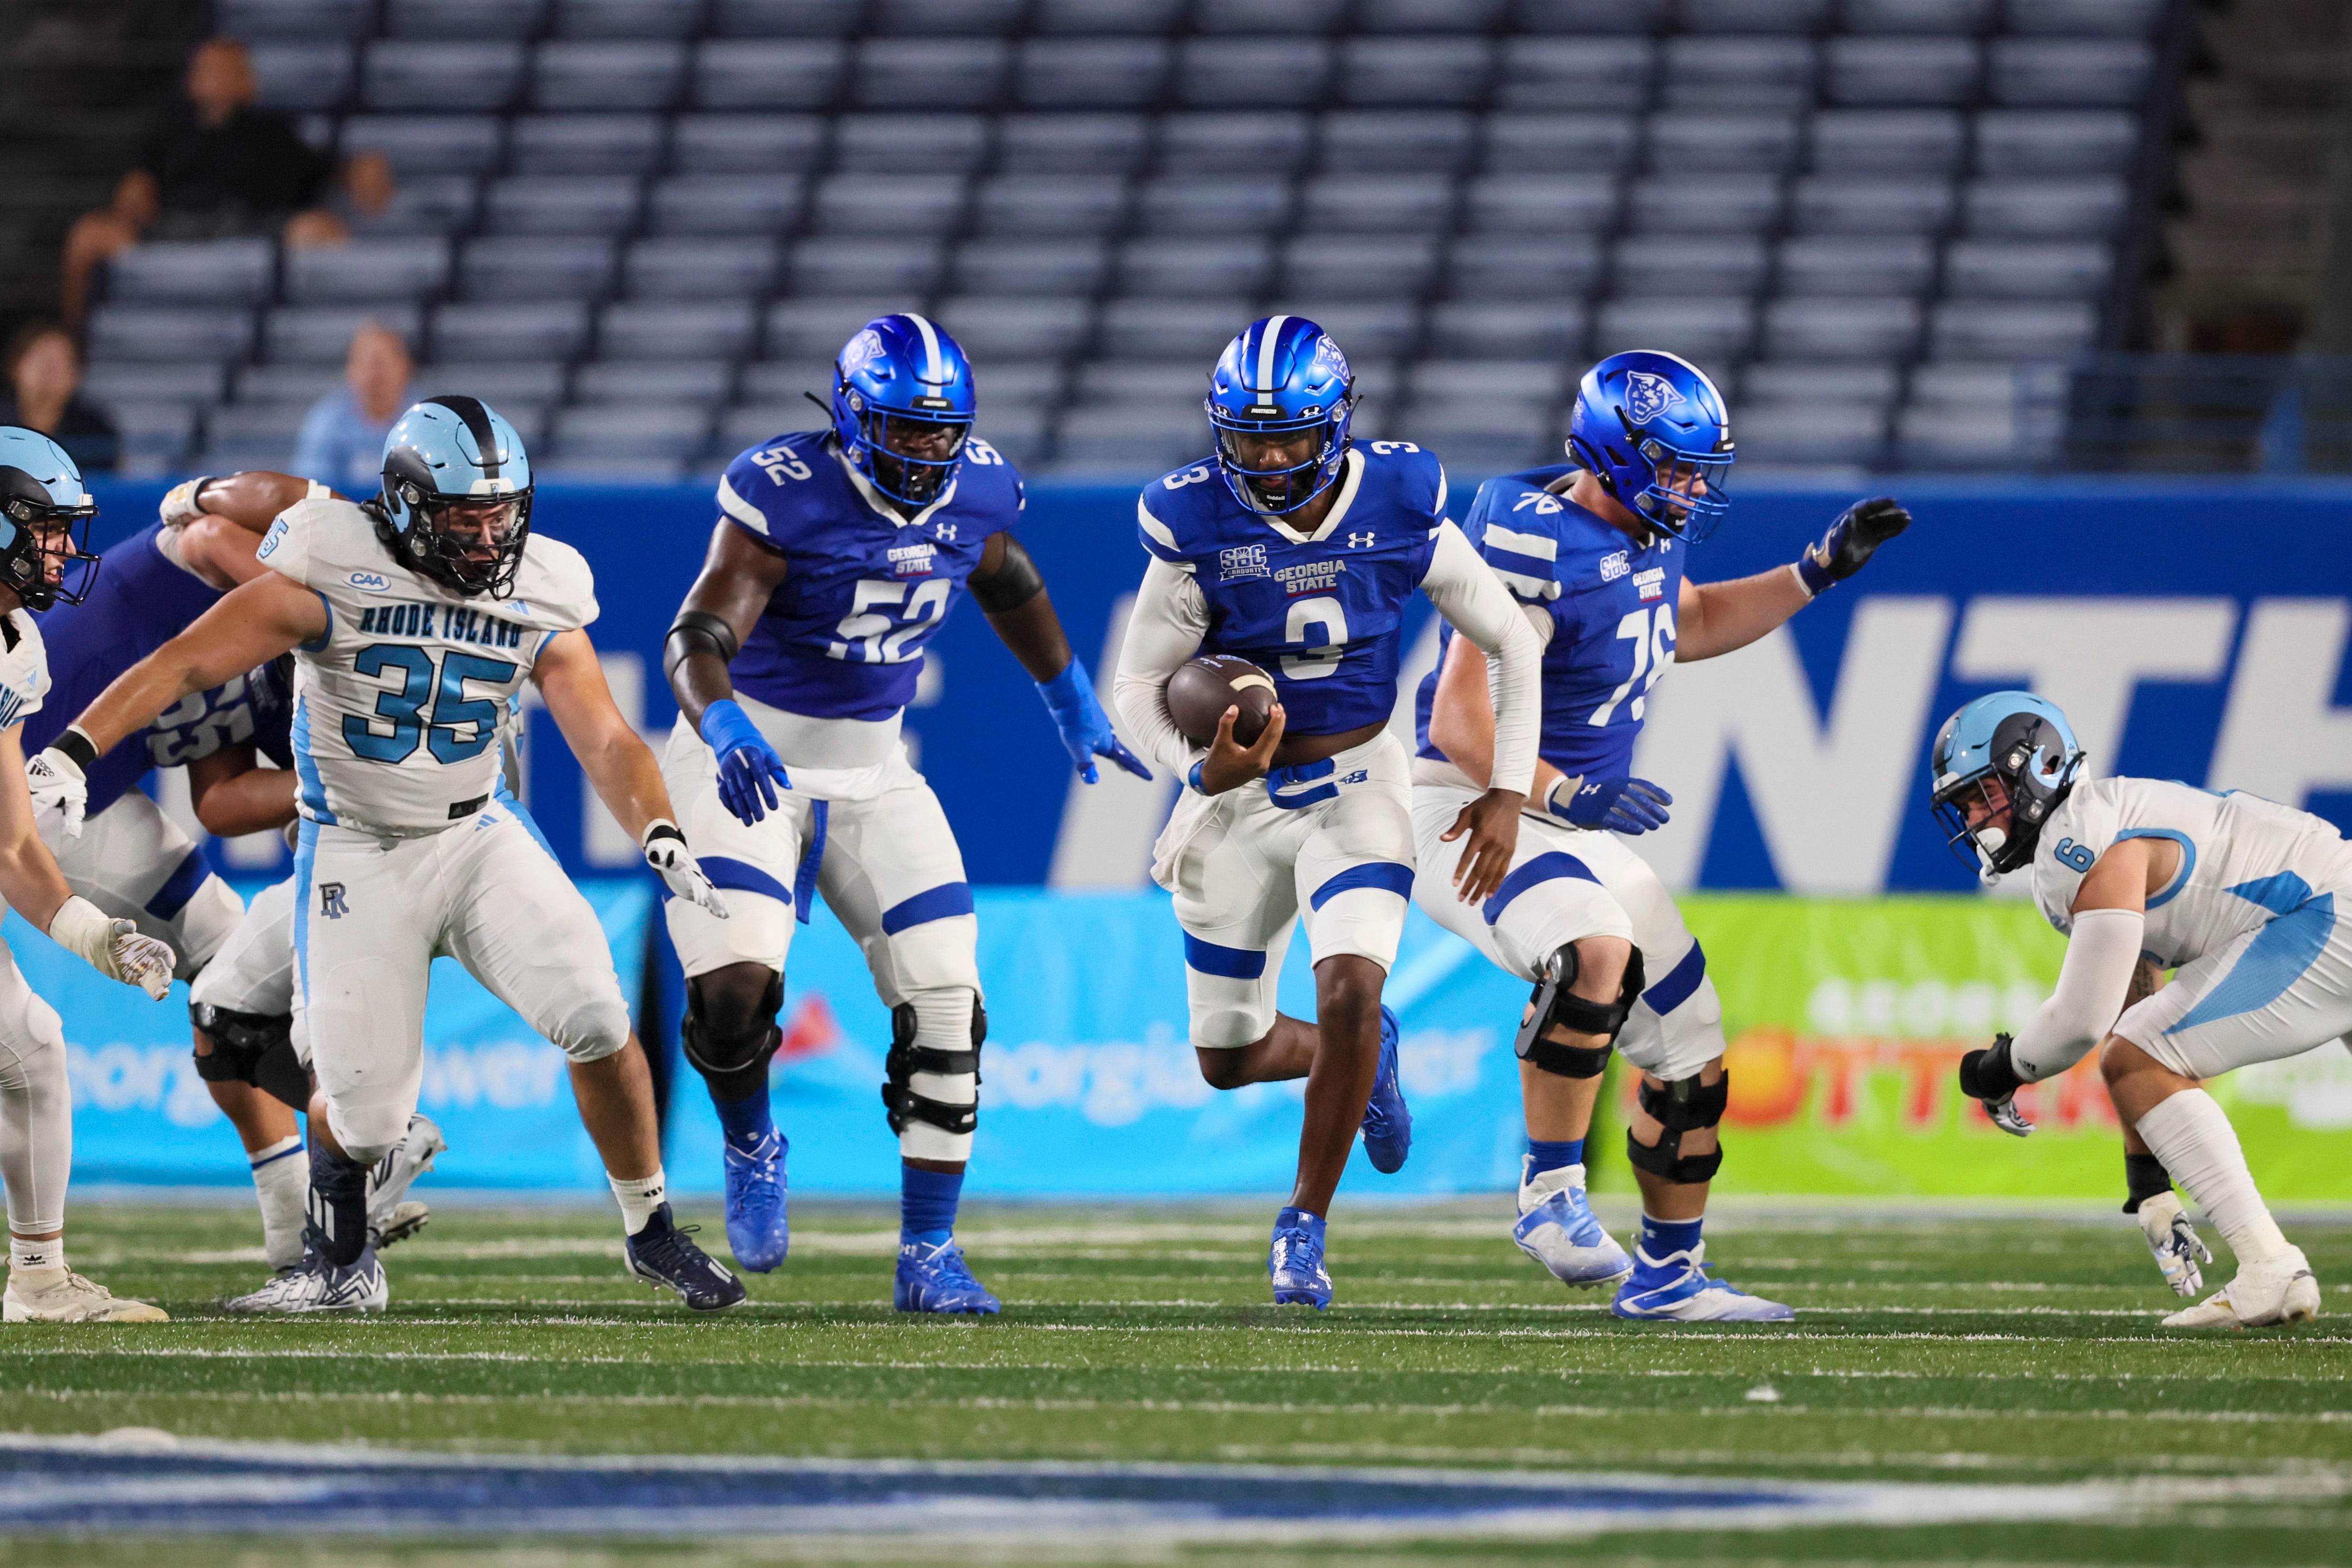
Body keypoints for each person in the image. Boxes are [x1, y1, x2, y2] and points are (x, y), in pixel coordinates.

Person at [28, 398, 743, 1314]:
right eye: (462, 515)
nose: (487, 537)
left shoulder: (545, 583)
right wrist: (79, 749)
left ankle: (652, 1229)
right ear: (405, 506)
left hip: (474, 833)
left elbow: (604, 735)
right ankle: (336, 1260)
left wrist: (661, 831)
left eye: (499, 513)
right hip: (356, 849)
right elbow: (186, 663)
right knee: (361, 1111)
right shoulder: (332, 560)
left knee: (599, 1015)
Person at [1409, 350, 1909, 1323]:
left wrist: (1814, 574)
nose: (1690, 487)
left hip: (1568, 812)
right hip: (1476, 803)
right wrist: (1570, 792)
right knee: (1592, 948)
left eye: (1697, 468)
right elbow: (1457, 723)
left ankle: (1669, 1273)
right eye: (1674, 466)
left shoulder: (1639, 530)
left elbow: (1691, 616)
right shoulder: (1529, 541)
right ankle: (1550, 1194)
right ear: (1611, 452)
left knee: (1691, 1050)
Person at [662, 313, 1145, 1312]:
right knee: (736, 985)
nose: (927, 453)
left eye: (942, 433)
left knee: (948, 1000)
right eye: (904, 430)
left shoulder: (976, 489)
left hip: (876, 771)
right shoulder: (785, 498)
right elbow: (695, 635)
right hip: (746, 758)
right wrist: (722, 724)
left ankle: (927, 1253)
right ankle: (751, 1135)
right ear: (848, 417)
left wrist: (1071, 697)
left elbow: (1006, 577)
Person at [1111, 315, 1544, 1309]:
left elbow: (1512, 645)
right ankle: (1368, 1051)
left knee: (1349, 982)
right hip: (1239, 805)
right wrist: (1201, 767)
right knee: (1228, 1058)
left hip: (1357, 783)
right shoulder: (1195, 521)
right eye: (1249, 437)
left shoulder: (1398, 501)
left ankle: (1303, 1222)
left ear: (1337, 426)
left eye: (1290, 437)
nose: (1267, 459)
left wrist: (1507, 793)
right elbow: (1137, 690)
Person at [22, 469, 438, 1294]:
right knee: (225, 968)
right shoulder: (290, 583)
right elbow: (210, 533)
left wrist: (349, 778)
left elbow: (217, 798)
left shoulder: (297, 682)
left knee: (229, 981)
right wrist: (333, 625)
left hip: (90, 794)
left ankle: (300, 1207)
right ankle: (363, 1141)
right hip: (41, 780)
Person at [1936, 691, 2345, 1329]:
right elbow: (2137, 999)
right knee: (2143, 1050)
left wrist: (1996, 1070)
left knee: (2140, 1054)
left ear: (2037, 768)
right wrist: (2149, 1179)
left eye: (1982, 794)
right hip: (2329, 904)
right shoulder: (2093, 826)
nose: (1975, 817)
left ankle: (2269, 1267)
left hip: (2325, 914)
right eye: (1964, 805)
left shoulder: (2081, 838)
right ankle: (2267, 1268)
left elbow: (2081, 1025)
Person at [0, 427, 182, 1323]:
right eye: (46, 528)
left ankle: (38, 1279)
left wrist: (96, 937)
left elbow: (11, 844)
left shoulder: (15, 646)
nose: (67, 551)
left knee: (29, 1043)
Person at [60, 37, 394, 325]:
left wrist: (358, 169)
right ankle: (78, 339)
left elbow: (325, 170)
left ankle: (320, 337)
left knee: (321, 230)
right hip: (177, 227)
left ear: (250, 82)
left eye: (233, 70)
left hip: (253, 225)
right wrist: (134, 193)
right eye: (211, 69)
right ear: (192, 81)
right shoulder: (167, 131)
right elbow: (138, 186)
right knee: (88, 235)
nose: (221, 78)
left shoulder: (275, 131)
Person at [292, 325, 413, 491]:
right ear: (351, 370)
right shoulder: (327, 420)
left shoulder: (427, 418)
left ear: (405, 367)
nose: (375, 374)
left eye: (382, 363)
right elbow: (309, 488)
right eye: (366, 363)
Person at [0, 324, 117, 478]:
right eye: (42, 359)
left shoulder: (95, 429)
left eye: (61, 363)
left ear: (77, 376)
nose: (49, 371)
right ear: (16, 366)